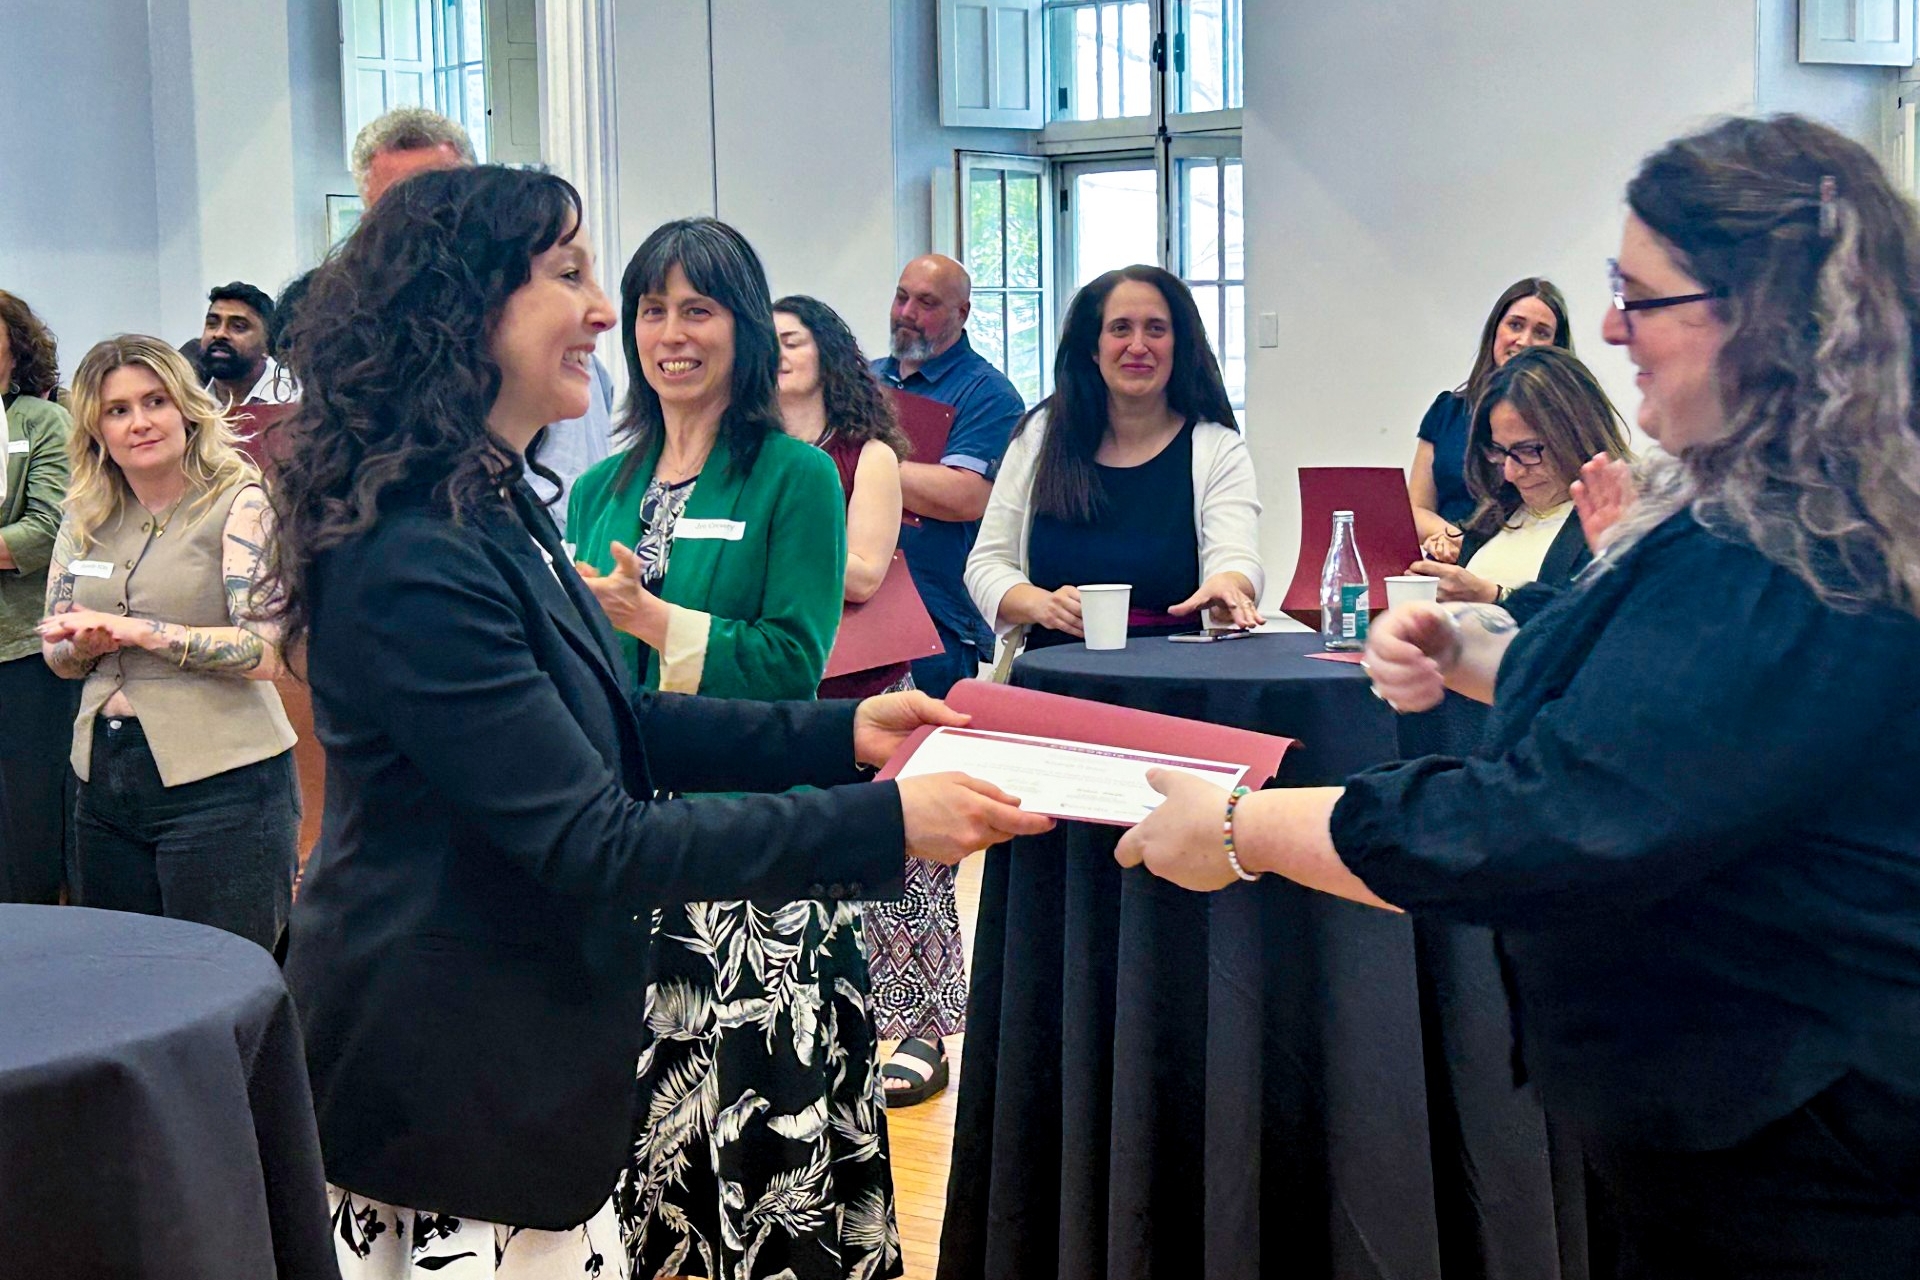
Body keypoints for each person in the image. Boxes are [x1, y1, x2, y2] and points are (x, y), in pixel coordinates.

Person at [1117, 115, 1920, 1276]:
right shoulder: (1762, 506)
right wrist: (1467, 650)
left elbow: (1550, 820)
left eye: (1639, 298)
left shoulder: (1798, 550)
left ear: (1759, 313)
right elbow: (1640, 678)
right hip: (1729, 1135)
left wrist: (1245, 827)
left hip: (1806, 1163)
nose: (1611, 328)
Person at [270, 168, 1047, 1278]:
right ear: (464, 305)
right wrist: (888, 820)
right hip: (446, 1065)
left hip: (509, 1037)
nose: (607, 315)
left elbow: (617, 715)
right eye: (572, 276)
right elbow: (592, 835)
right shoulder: (415, 550)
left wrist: (842, 736)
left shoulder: (485, 501)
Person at [568, 221, 905, 1279]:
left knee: (768, 1142)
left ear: (744, 328)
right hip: (626, 853)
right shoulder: (599, 488)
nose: (672, 333)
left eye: (698, 309)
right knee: (648, 1138)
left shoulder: (796, 477)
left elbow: (793, 668)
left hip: (755, 865)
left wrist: (653, 618)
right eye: (653, 310)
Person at [38, 335, 299, 950]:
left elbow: (266, 652)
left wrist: (141, 632)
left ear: (186, 406)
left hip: (225, 784)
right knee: (123, 974)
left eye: (154, 401)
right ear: (96, 428)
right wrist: (86, 644)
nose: (140, 422)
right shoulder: (84, 515)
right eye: (118, 410)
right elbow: (56, 654)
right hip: (101, 781)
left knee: (222, 976)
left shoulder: (240, 501)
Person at [775, 293, 967, 1107]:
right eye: (766, 341)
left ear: (828, 354)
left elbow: (861, 573)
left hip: (866, 685)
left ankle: (920, 1030)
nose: (777, 353)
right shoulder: (744, 452)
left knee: (900, 860)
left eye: (791, 340)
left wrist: (766, 553)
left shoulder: (870, 454)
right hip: (781, 684)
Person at [965, 265, 1264, 657]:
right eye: (1120, 329)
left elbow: (1236, 556)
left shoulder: (1216, 448)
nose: (1137, 346)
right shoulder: (1040, 436)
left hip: (1179, 675)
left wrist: (1231, 583)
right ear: (1094, 347)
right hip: (1050, 675)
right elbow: (987, 563)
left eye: (1155, 329)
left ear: (1178, 345)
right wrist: (1040, 604)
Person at [348, 105, 614, 532]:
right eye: (408, 219)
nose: (435, 243)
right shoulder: (362, 392)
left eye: (452, 210)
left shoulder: (565, 371)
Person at [873, 255, 1026, 695]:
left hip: (934, 617)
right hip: (854, 602)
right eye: (901, 297)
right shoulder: (863, 379)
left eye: (926, 303)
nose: (907, 313)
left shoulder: (988, 394)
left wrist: (863, 466)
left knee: (919, 737)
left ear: (962, 313)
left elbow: (965, 496)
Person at [1407, 346, 1631, 621]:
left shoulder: (1618, 518)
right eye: (1500, 451)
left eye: (1528, 451)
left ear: (1577, 433)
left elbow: (1592, 621)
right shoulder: (1498, 511)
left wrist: (1495, 596)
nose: (1511, 473)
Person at [0, 290, 77, 904]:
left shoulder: (41, 421)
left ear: (16, 349)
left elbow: (46, 530)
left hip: (22, 650)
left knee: (29, 821)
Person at [1410, 278, 1570, 560]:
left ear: (1556, 347)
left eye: (1541, 332)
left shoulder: (1565, 420)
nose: (1524, 341)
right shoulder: (1448, 410)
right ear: (1495, 330)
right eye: (1515, 325)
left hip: (1520, 565)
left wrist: (1478, 553)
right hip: (1446, 560)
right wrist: (1455, 540)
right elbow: (1416, 508)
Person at [200, 282, 298, 407]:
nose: (219, 334)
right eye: (212, 323)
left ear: (267, 344)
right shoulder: (188, 403)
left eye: (238, 326)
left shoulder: (293, 399)